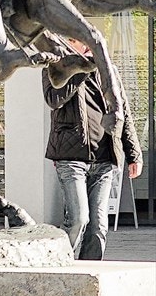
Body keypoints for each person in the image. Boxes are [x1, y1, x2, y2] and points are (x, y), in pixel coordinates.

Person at [45, 42, 143, 260]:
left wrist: (133, 153)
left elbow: (122, 110)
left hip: (105, 157)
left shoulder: (109, 69)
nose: (72, 43)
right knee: (79, 218)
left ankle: (90, 269)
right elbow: (54, 99)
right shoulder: (56, 66)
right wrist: (80, 69)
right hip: (70, 158)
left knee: (98, 224)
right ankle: (61, 264)